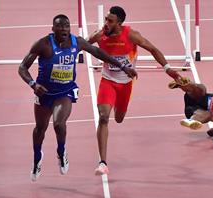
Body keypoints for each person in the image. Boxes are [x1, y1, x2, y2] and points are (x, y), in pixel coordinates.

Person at [18, 14, 137, 182]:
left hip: (64, 92)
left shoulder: (77, 42)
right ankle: (37, 158)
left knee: (59, 124)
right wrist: (33, 84)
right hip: (44, 93)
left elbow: (97, 52)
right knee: (40, 129)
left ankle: (61, 152)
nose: (64, 29)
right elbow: (22, 67)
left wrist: (122, 66)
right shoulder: (43, 44)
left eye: (66, 26)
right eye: (60, 27)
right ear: (53, 29)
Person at [87, 6, 183, 175]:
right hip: (107, 81)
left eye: (110, 21)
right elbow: (81, 45)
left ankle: (116, 105)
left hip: (125, 85)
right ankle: (102, 162)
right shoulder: (99, 35)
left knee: (119, 118)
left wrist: (168, 69)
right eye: (106, 19)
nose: (106, 24)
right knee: (103, 117)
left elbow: (153, 49)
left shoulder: (131, 35)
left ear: (120, 23)